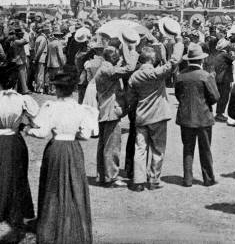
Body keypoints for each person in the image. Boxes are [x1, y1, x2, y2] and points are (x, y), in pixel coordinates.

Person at [27, 71, 98, 244]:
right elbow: (87, 135)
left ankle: (51, 228)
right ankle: (74, 228)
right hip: (73, 149)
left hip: (56, 149)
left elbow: (42, 132)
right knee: (75, 188)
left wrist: (29, 130)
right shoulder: (81, 109)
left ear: (57, 89)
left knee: (52, 188)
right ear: (73, 89)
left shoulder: (51, 107)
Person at [127, 35, 183, 192]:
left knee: (140, 148)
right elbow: (173, 62)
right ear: (152, 60)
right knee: (158, 149)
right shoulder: (157, 73)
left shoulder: (134, 77)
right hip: (158, 115)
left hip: (141, 115)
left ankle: (138, 180)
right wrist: (179, 44)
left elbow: (130, 98)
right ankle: (153, 180)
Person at [175, 44, 220, 187]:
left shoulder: (181, 76)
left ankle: (187, 179)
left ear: (188, 60)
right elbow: (215, 96)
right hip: (204, 117)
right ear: (201, 60)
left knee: (187, 148)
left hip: (186, 117)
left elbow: (178, 95)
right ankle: (208, 178)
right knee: (205, 148)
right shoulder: (205, 76)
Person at [94, 45, 137, 187]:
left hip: (105, 110)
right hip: (110, 111)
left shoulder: (105, 67)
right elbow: (129, 69)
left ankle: (103, 175)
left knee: (104, 145)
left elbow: (117, 68)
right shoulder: (107, 69)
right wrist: (132, 51)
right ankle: (111, 177)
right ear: (112, 57)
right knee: (112, 146)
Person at [0, 88, 39, 238]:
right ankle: (16, 211)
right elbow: (36, 118)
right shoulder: (20, 99)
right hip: (14, 141)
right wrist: (24, 124)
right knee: (17, 177)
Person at [213, 39, 235, 122]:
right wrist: (233, 52)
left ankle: (219, 113)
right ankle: (219, 113)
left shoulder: (219, 54)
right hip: (224, 79)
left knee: (222, 96)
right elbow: (233, 59)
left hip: (220, 78)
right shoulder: (225, 55)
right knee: (224, 97)